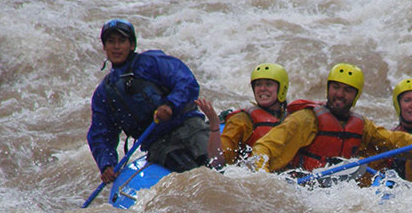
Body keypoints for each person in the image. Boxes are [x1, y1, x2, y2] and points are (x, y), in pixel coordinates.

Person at [251, 63, 412, 173]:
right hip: (305, 184)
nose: (339, 94)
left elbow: (394, 141)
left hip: (339, 189)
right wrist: (260, 178)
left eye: (347, 90)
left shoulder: (362, 126)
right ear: (328, 89)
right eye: (336, 88)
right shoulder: (306, 119)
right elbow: (265, 146)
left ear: (355, 95)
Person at [87, 19, 209, 183]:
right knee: (192, 175)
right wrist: (107, 164)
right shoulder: (104, 94)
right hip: (159, 144)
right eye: (111, 42)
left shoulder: (152, 62)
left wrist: (170, 104)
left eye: (122, 41)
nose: (116, 47)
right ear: (104, 47)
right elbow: (100, 134)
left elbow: (186, 81)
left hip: (188, 126)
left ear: (132, 45)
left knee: (213, 164)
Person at [195, 62, 289, 167]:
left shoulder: (291, 118)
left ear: (281, 88)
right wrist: (214, 126)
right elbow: (218, 162)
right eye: (258, 84)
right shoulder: (241, 120)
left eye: (268, 84)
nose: (262, 88)